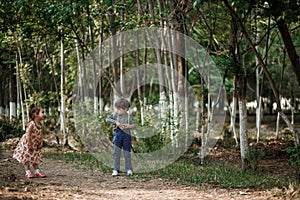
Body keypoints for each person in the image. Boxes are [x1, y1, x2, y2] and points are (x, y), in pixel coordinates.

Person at [13, 104, 46, 179]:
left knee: (34, 158)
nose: (44, 114)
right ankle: (27, 172)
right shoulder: (31, 124)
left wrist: (40, 142)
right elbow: (28, 134)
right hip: (27, 143)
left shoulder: (40, 124)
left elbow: (40, 134)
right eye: (42, 112)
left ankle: (37, 172)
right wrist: (29, 143)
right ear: (35, 114)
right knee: (27, 159)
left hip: (35, 144)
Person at [106, 98, 135, 176]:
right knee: (116, 153)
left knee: (127, 153)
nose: (117, 110)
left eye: (119, 109)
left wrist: (129, 126)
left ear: (125, 109)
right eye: (117, 109)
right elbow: (107, 119)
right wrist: (116, 122)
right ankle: (116, 169)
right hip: (117, 135)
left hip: (127, 136)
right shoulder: (115, 115)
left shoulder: (129, 117)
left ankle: (128, 169)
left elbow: (134, 125)